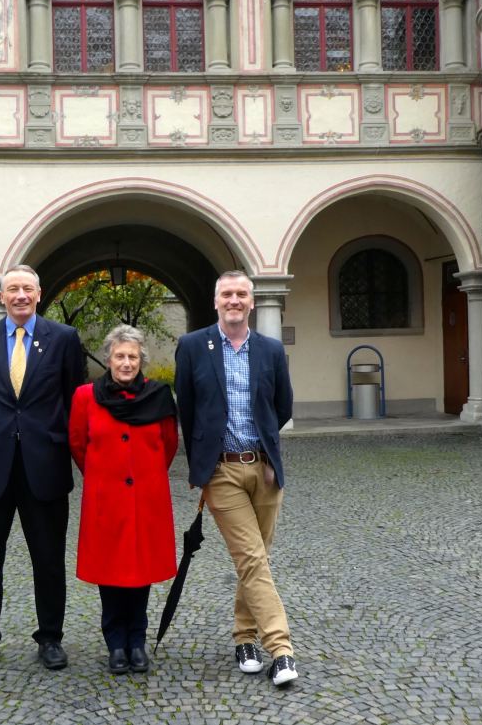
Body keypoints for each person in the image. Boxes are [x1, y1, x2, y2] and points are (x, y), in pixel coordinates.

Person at [0, 264, 85, 673]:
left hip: (44, 464)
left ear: (39, 294)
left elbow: (74, 399)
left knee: (47, 559)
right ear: (2, 296)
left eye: (27, 289)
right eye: (13, 289)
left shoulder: (63, 339)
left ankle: (50, 638)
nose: (20, 296)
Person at [174, 270, 298, 687]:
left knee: (257, 558)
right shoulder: (192, 347)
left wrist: (266, 450)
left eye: (241, 294)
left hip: (264, 469)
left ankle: (244, 637)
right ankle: (280, 649)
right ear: (215, 302)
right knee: (250, 556)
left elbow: (281, 407)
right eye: (227, 294)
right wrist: (202, 466)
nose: (234, 300)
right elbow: (187, 412)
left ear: (252, 302)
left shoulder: (270, 350)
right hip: (222, 470)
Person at [69, 324, 178, 675]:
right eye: (120, 356)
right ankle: (115, 644)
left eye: (132, 356)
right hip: (106, 499)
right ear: (108, 359)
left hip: (147, 497)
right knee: (109, 571)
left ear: (141, 359)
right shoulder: (85, 397)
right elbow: (78, 444)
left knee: (141, 570)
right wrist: (104, 476)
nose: (126, 363)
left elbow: (168, 444)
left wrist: (145, 474)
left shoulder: (159, 395)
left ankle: (137, 642)